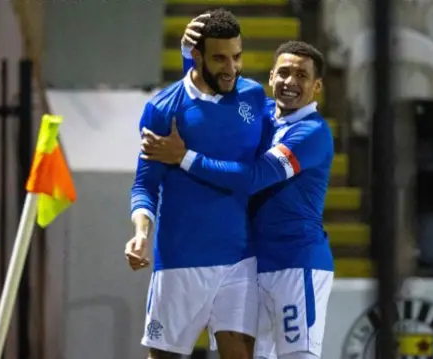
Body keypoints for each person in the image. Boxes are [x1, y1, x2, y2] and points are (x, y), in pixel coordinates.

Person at [141, 21, 335, 359]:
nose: (291, 83)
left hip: (297, 263)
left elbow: (253, 177)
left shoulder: (311, 133)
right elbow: (210, 103)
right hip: (257, 262)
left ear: (317, 86)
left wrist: (184, 157)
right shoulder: (265, 115)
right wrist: (192, 58)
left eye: (302, 76)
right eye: (284, 74)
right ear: (271, 77)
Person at [125, 9, 267, 359]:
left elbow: (252, 174)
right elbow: (145, 185)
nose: (231, 68)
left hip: (241, 257)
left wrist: (185, 157)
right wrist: (142, 234)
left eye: (237, 57)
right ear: (197, 56)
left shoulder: (253, 97)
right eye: (219, 58)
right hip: (181, 259)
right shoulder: (164, 109)